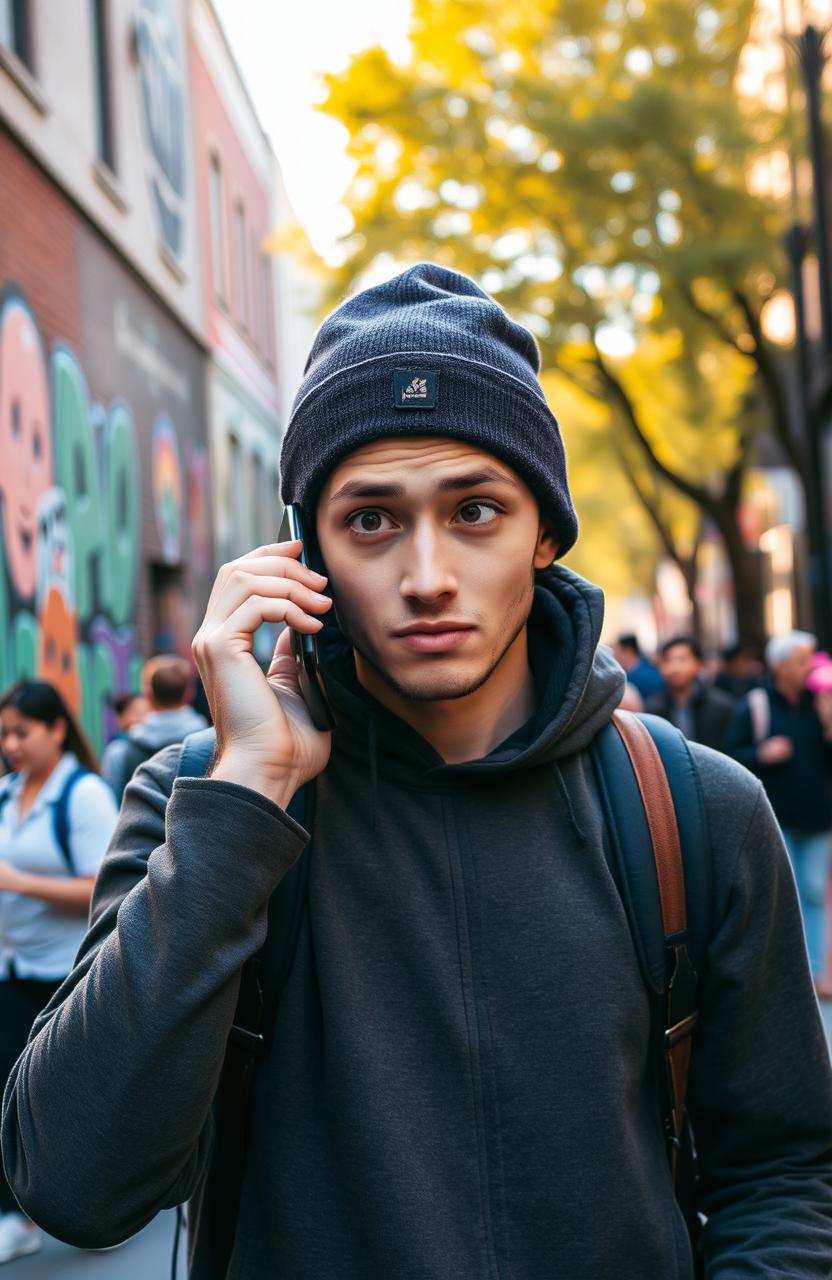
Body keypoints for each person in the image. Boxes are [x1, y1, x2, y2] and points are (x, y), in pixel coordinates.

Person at [3, 264, 831, 1279]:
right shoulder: (202, 802)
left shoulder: (694, 808)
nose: (427, 575)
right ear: (306, 556)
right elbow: (75, 1186)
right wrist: (241, 806)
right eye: (371, 519)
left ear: (545, 531)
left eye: (476, 509)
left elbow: (781, 1171)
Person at [0, 680, 117, 1264]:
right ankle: (13, 1215)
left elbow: (106, 889)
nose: (11, 745)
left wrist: (19, 883)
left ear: (56, 730)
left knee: (74, 1098)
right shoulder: (6, 793)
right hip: (11, 968)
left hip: (69, 976)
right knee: (8, 1092)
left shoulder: (84, 795)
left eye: (22, 732)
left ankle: (102, 1204)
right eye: (4, 734)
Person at [723, 630, 832, 998]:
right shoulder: (756, 704)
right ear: (781, 666)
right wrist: (761, 753)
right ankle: (786, 973)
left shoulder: (821, 703)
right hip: (773, 818)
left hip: (817, 818)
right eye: (802, 660)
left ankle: (815, 973)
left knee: (814, 893)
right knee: (780, 896)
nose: (810, 666)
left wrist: (829, 726)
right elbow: (729, 758)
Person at [102, 655, 207, 803]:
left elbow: (113, 806)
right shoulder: (215, 744)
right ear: (189, 694)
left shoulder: (119, 752)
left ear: (149, 696)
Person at [645, 636, 736, 750]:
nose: (675, 667)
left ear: (698, 664)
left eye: (682, 660)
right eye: (667, 660)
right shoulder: (652, 709)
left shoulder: (722, 706)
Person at [612, 632, 665, 699]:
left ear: (628, 651)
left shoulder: (637, 676)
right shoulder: (649, 668)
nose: (615, 656)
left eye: (617, 652)